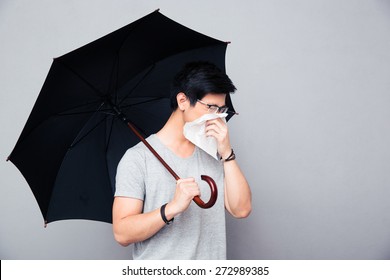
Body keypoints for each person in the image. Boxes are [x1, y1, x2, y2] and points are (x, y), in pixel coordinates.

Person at [112, 61, 251, 259]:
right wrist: (172, 208)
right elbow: (122, 233)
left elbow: (241, 209)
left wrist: (227, 152)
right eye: (211, 107)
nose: (217, 117)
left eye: (221, 110)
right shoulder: (137, 158)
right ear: (183, 101)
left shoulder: (213, 150)